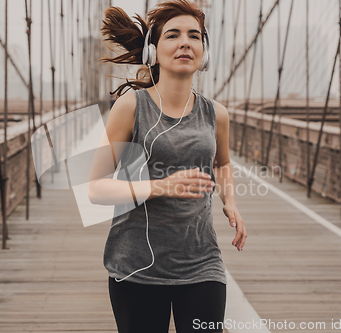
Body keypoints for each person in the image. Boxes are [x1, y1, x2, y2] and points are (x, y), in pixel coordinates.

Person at [89, 1, 247, 332]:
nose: (185, 42)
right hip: (137, 267)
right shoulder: (131, 107)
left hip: (202, 263)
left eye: (194, 35)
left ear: (204, 52)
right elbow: (96, 188)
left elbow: (223, 163)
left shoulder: (216, 114)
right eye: (172, 35)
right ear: (153, 51)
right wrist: (161, 186)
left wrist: (230, 201)